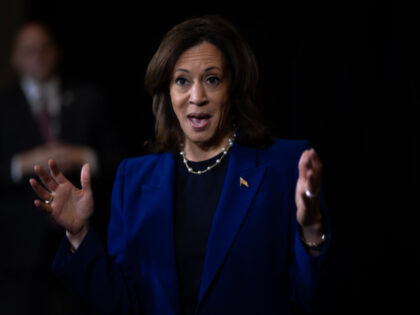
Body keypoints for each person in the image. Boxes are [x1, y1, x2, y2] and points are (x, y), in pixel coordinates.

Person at [30, 16, 330, 314]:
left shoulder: (285, 165)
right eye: (182, 80)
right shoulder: (133, 178)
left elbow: (311, 296)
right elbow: (123, 304)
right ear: (167, 92)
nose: (196, 97)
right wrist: (79, 234)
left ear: (233, 88)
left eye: (212, 79)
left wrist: (311, 229)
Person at [0, 21, 117, 314]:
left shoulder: (89, 98)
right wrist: (19, 164)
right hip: (18, 248)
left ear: (56, 52)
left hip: (82, 238)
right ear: (15, 58)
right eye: (29, 50)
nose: (38, 55)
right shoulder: (2, 105)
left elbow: (119, 157)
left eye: (44, 48)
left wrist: (83, 154)